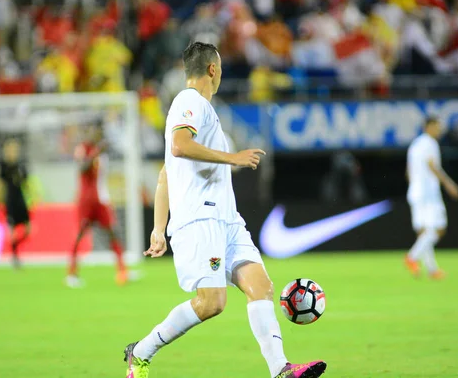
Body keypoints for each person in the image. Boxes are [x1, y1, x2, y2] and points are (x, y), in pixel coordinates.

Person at [123, 42, 327, 378]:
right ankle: (141, 353)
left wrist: (159, 228)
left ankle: (281, 369)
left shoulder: (204, 111)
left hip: (227, 220)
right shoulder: (189, 101)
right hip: (200, 220)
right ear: (213, 70)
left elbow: (165, 174)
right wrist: (233, 158)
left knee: (260, 286)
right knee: (212, 303)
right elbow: (180, 146)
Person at [67, 121, 128, 288]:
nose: (96, 135)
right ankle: (71, 273)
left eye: (98, 132)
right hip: (86, 200)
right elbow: (82, 168)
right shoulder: (84, 149)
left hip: (101, 200)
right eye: (94, 131)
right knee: (80, 234)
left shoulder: (102, 154)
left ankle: (123, 271)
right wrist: (95, 153)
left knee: (113, 233)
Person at [405, 117, 458, 279]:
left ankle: (432, 269)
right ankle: (412, 257)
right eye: (437, 127)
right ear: (428, 127)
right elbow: (432, 165)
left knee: (424, 232)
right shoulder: (430, 143)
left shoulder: (414, 145)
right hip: (428, 194)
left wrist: (415, 185)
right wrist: (448, 184)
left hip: (415, 192)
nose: (440, 130)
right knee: (439, 228)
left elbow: (408, 172)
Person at [0, 139, 30, 269]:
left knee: (28, 230)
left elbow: (26, 181)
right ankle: (15, 256)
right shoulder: (4, 165)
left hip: (21, 199)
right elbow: (0, 183)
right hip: (10, 200)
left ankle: (15, 246)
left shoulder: (21, 165)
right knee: (11, 230)